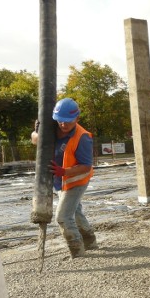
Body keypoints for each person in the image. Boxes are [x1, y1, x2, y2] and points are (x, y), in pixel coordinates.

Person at [31, 98, 97, 258]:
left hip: (77, 180)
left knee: (63, 217)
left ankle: (77, 252)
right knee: (75, 212)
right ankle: (91, 242)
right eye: (60, 121)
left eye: (68, 121)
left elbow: (86, 166)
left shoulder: (83, 138)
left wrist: (64, 171)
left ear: (77, 118)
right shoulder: (52, 127)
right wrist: (36, 133)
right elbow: (35, 141)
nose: (63, 125)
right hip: (60, 180)